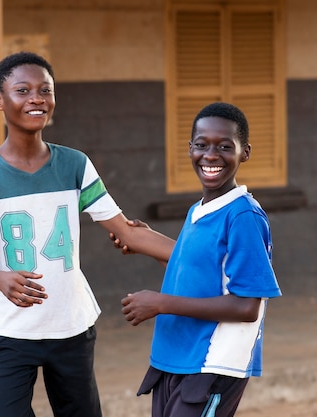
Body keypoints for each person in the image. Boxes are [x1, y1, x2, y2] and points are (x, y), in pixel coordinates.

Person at [0, 51, 171, 417]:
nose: (36, 98)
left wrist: (201, 256)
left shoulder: (74, 165)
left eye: (45, 90)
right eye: (22, 90)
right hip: (11, 332)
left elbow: (128, 233)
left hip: (71, 325)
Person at [110, 102, 282, 417]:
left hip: (212, 362)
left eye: (225, 146)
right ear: (190, 149)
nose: (211, 155)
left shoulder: (243, 215)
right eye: (202, 145)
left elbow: (247, 306)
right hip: (176, 356)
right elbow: (197, 271)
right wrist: (146, 241)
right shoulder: (199, 210)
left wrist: (161, 303)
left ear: (245, 152)